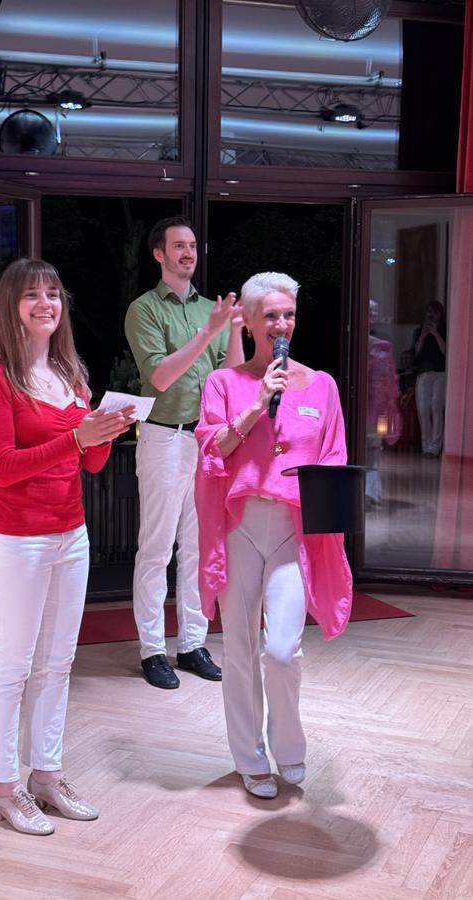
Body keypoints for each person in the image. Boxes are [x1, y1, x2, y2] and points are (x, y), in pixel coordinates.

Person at [0, 258, 134, 835]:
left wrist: (105, 430)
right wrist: (76, 436)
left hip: (71, 535)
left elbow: (92, 463)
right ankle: (3, 789)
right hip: (16, 541)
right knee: (11, 666)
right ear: (10, 307)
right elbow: (5, 468)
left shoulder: (72, 374)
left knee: (57, 664)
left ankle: (46, 776)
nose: (46, 303)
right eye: (32, 294)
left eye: (54, 294)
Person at [195, 272, 352, 799]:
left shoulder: (322, 385)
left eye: (289, 315)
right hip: (239, 525)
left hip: (293, 529)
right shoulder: (224, 383)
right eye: (271, 316)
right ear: (250, 322)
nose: (281, 325)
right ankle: (250, 759)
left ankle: (289, 748)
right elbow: (212, 449)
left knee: (283, 651)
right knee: (239, 649)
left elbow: (333, 457)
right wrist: (258, 403)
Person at [124, 215, 244, 689]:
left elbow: (230, 377)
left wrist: (233, 329)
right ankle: (152, 649)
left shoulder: (209, 310)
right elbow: (160, 377)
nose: (188, 253)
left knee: (197, 546)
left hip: (205, 440)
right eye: (178, 246)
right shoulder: (144, 309)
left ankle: (193, 643)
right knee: (156, 548)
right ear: (159, 254)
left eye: (192, 245)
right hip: (163, 437)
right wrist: (207, 332)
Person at [366, 299, 401, 509]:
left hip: (376, 410)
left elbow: (390, 385)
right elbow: (391, 384)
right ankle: (369, 494)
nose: (373, 317)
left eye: (374, 313)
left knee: (373, 450)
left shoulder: (382, 347)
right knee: (371, 451)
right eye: (371, 312)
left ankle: (370, 494)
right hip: (368, 409)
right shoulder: (380, 347)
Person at [412, 301, 447, 456]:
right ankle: (425, 445)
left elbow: (446, 352)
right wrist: (423, 336)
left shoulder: (444, 331)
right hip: (423, 374)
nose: (431, 315)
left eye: (435, 312)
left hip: (440, 373)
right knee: (423, 409)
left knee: (436, 408)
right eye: (429, 312)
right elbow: (416, 353)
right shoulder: (419, 331)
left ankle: (435, 446)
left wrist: (436, 333)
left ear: (440, 315)